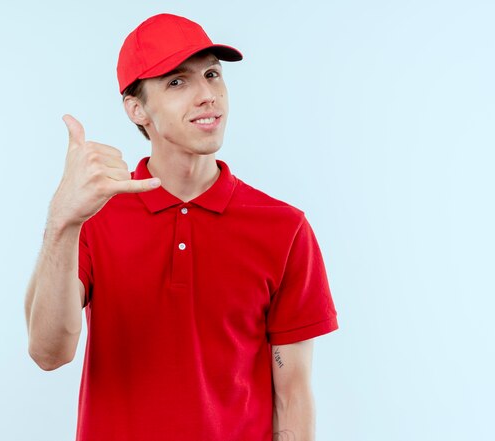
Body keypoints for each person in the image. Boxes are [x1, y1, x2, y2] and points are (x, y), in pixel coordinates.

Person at [24, 12, 339, 441]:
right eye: (177, 82)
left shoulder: (284, 228)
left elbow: (293, 395)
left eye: (212, 74)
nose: (208, 95)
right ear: (137, 110)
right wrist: (63, 218)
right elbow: (48, 352)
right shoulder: (93, 216)